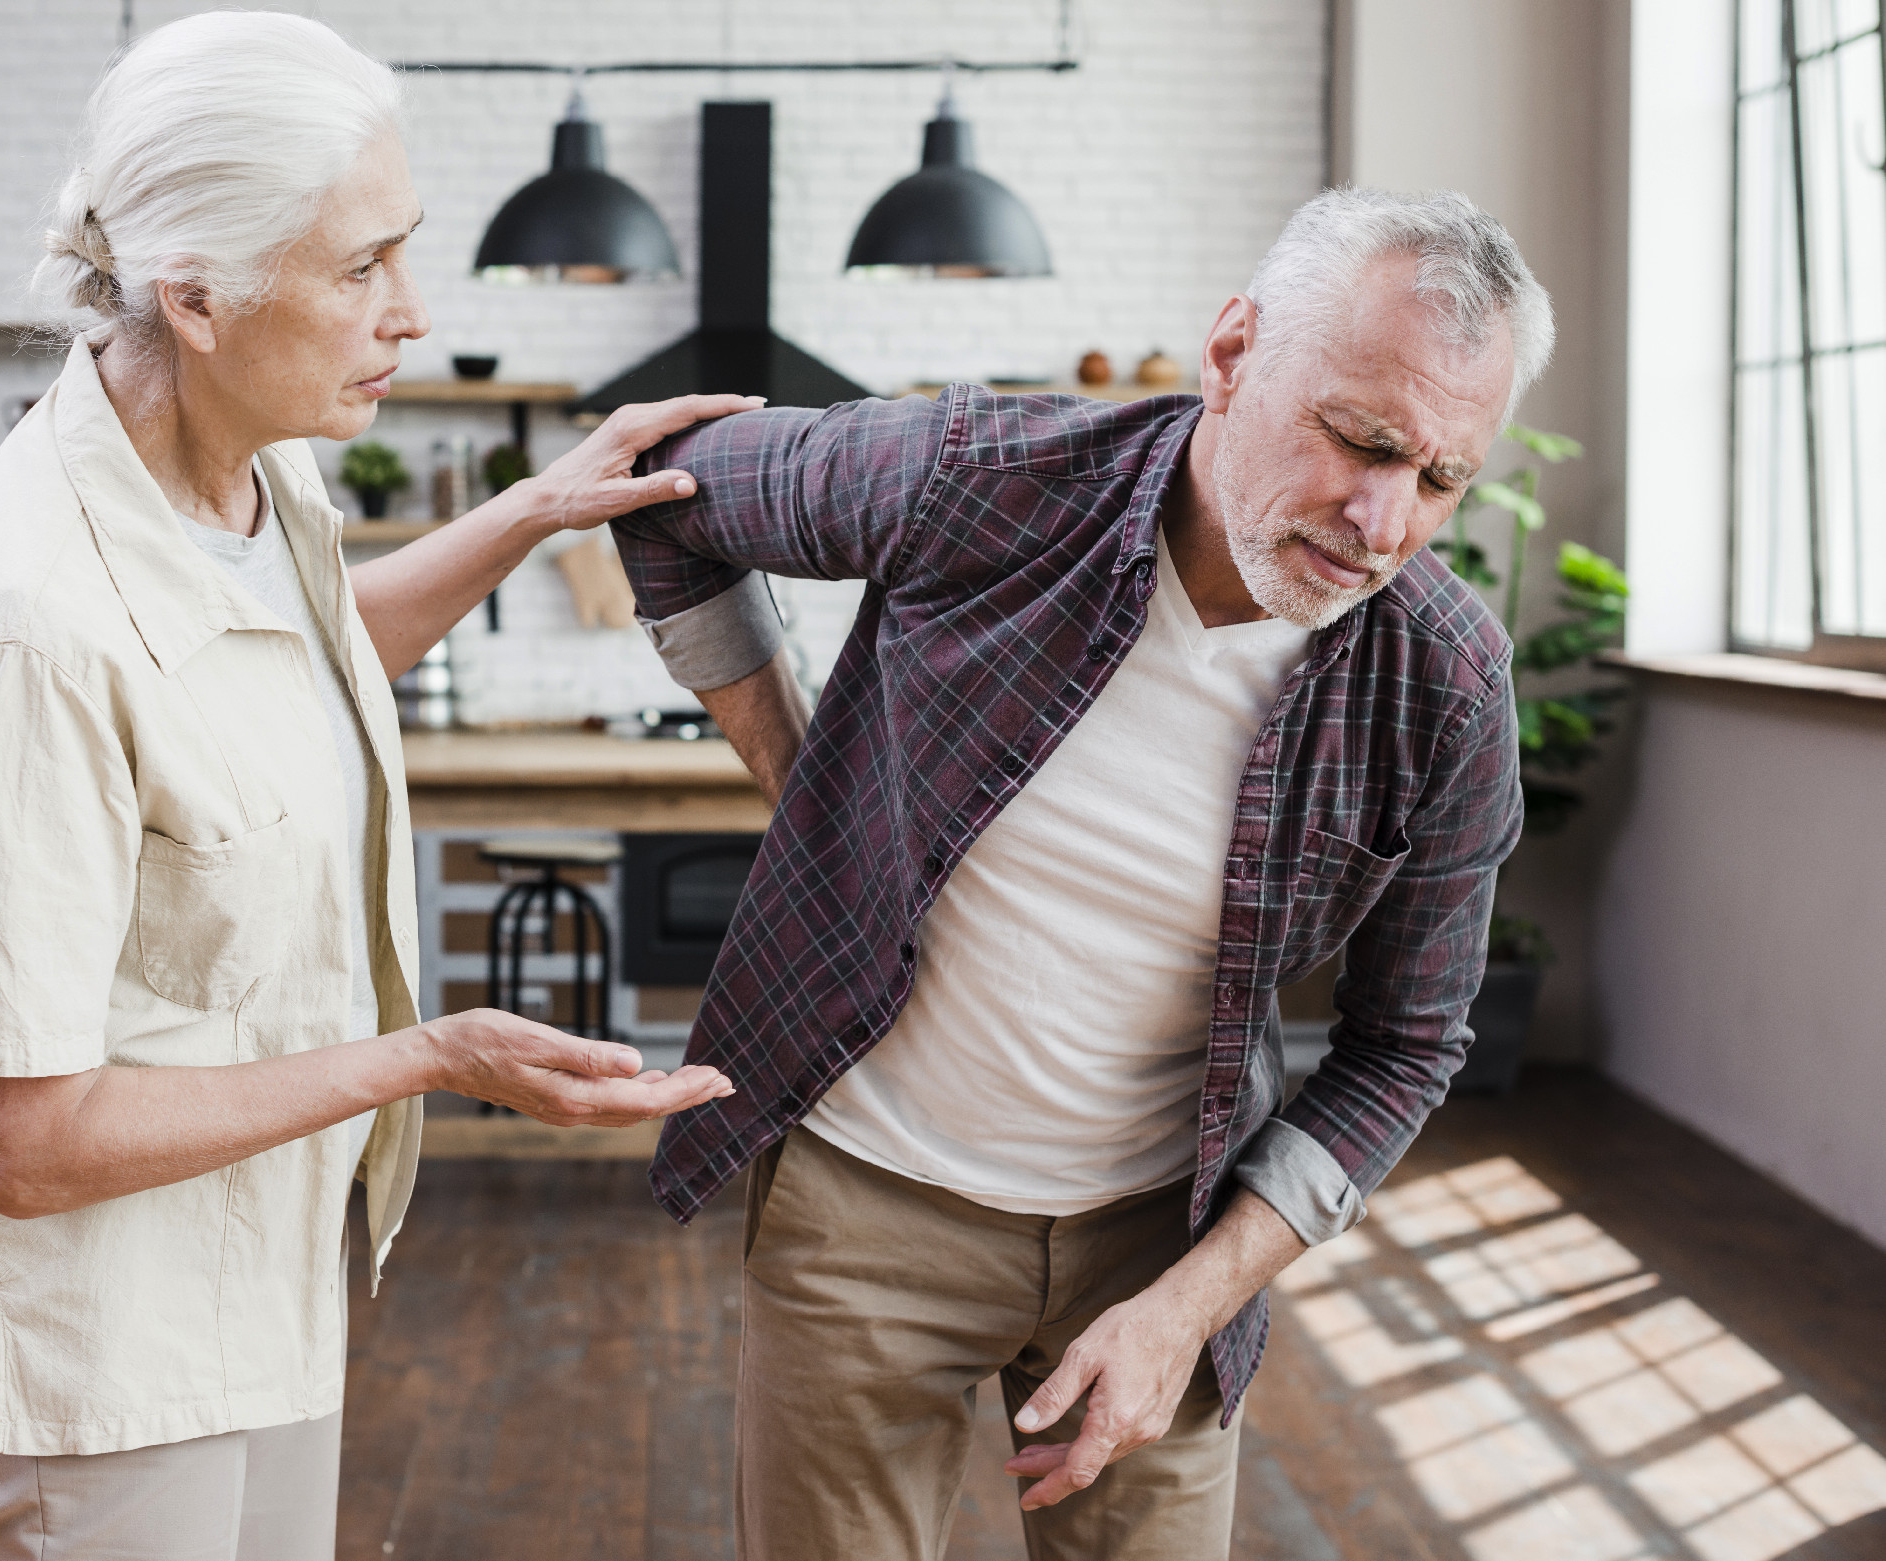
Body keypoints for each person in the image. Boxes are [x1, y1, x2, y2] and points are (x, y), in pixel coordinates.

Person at [0, 14, 749, 1558]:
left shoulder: (248, 469)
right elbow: (28, 1138)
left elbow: (299, 651)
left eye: (401, 252)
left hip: (264, 1272)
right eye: (360, 270)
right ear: (194, 295)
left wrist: (534, 511)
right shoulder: (34, 627)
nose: (409, 312)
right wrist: (424, 1055)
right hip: (111, 1351)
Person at [612, 187, 1549, 1560]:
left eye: (1441, 479)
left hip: (1163, 1236)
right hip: (865, 1204)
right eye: (1359, 440)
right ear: (1233, 353)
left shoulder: (1449, 684)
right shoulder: (982, 474)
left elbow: (1405, 1046)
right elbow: (671, 491)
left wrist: (1184, 1310)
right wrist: (803, 779)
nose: (1381, 517)